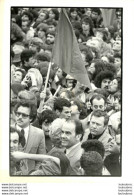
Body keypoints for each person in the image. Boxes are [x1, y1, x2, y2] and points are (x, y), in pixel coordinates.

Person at [12, 101, 46, 174]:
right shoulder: (7, 130)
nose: (20, 117)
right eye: (18, 114)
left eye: (24, 115)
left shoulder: (39, 133)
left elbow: (42, 158)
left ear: (31, 118)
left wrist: (34, 173)